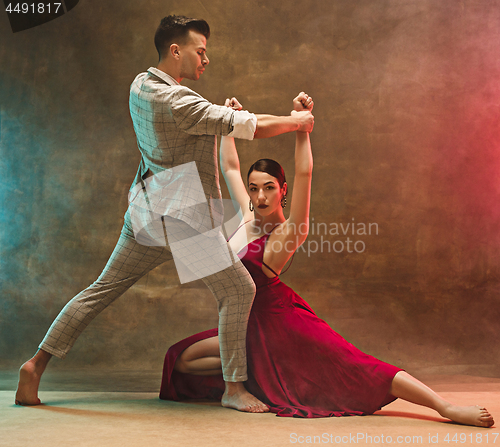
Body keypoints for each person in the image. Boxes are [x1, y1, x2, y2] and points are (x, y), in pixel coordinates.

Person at [15, 15, 314, 412]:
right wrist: (298, 122)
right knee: (239, 290)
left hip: (147, 211)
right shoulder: (182, 101)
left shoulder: (141, 85)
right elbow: (251, 127)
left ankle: (35, 366)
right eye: (200, 51)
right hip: (185, 219)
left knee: (102, 289)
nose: (205, 59)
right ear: (177, 51)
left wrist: (218, 117)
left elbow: (194, 126)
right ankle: (234, 389)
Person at [159, 93, 495, 427]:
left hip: (281, 323)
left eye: (270, 188)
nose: (260, 196)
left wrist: (302, 126)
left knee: (359, 366)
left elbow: (305, 173)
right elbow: (229, 166)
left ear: (283, 191)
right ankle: (254, 375)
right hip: (246, 327)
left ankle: (445, 407)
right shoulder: (247, 212)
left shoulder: (288, 233)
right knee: (181, 361)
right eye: (254, 188)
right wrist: (227, 122)